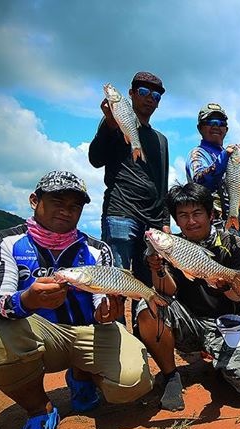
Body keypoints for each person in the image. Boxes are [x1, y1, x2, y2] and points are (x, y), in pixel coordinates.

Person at [0, 171, 153, 429]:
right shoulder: (5, 241)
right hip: (38, 333)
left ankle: (81, 376)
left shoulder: (97, 249)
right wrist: (27, 299)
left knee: (133, 382)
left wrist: (106, 313)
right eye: (57, 201)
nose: (66, 210)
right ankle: (39, 411)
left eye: (75, 206)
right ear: (35, 200)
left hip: (88, 332)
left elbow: (101, 299)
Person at [136, 182, 240, 411]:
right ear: (176, 220)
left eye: (197, 213)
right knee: (148, 307)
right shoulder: (171, 246)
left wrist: (225, 285)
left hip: (224, 325)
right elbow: (168, 291)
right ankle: (170, 377)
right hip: (188, 321)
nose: (191, 221)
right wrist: (157, 268)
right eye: (183, 215)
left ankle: (220, 365)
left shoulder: (231, 242)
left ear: (211, 214)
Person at [88, 71, 170, 326]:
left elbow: (162, 182)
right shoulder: (115, 121)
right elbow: (95, 159)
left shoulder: (161, 140)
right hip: (120, 212)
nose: (150, 99)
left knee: (146, 287)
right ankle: (116, 342)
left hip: (153, 221)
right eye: (143, 92)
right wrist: (110, 124)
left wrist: (164, 219)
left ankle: (142, 344)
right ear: (131, 94)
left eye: (155, 95)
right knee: (116, 283)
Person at [185, 103, 233, 227]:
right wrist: (223, 159)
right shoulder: (197, 154)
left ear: (226, 129)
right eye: (210, 122)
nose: (216, 125)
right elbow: (201, 182)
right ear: (200, 128)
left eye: (221, 122)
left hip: (232, 225)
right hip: (209, 227)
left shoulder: (232, 155)